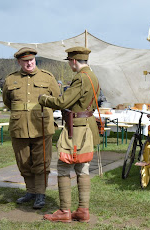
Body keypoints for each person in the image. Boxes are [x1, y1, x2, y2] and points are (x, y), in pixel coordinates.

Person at [39, 47, 100, 223]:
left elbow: (62, 102)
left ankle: (64, 211)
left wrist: (44, 99)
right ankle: (82, 211)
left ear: (73, 61)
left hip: (77, 129)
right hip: (86, 126)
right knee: (83, 167)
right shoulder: (93, 76)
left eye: (69, 62)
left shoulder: (80, 78)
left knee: (64, 166)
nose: (70, 65)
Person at [2, 47, 60, 209]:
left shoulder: (47, 77)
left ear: (35, 59)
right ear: (19, 62)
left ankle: (40, 194)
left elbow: (55, 100)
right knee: (24, 161)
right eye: (25, 61)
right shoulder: (10, 79)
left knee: (41, 161)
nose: (29, 63)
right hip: (19, 126)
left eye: (31, 60)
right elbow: (8, 101)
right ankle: (31, 191)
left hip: (41, 125)